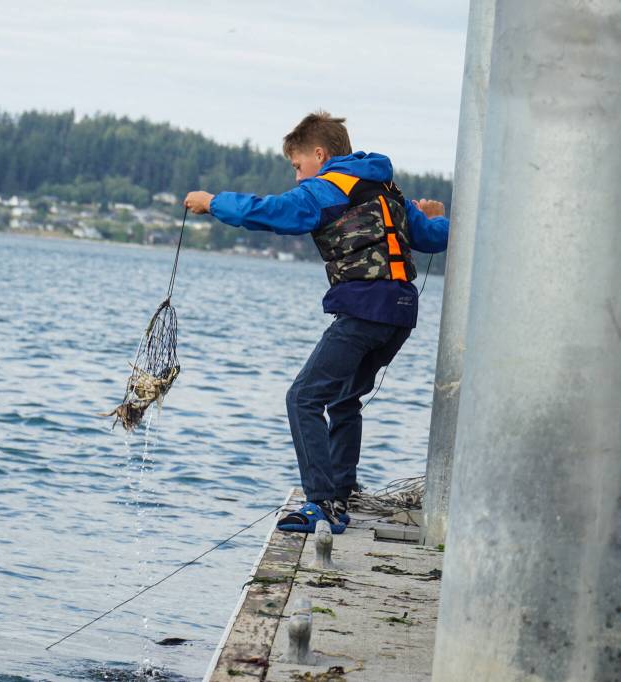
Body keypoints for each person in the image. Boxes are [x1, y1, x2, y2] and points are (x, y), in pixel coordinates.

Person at [184, 111, 449, 534]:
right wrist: (435, 218)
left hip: (364, 310)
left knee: (303, 398)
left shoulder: (326, 189)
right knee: (344, 398)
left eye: (297, 165)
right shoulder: (386, 190)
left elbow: (272, 213)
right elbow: (434, 237)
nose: (296, 177)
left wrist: (212, 203)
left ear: (320, 154)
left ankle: (323, 503)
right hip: (399, 315)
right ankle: (341, 491)